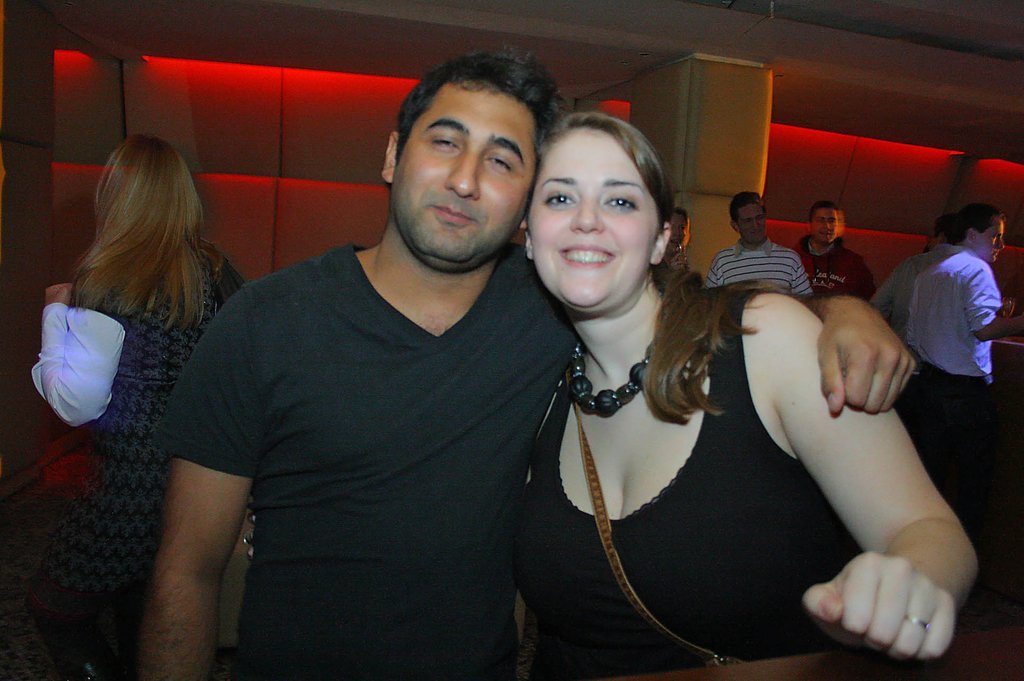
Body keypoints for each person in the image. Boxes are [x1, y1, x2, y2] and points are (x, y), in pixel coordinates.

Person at [139, 51, 914, 681]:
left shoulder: (552, 307)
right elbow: (188, 569)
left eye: (503, 160)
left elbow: (682, 306)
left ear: (526, 207)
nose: (466, 178)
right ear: (392, 155)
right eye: (445, 142)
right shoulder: (265, 324)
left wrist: (840, 311)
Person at [514, 112, 976, 680]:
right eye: (560, 198)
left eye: (620, 201)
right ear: (529, 236)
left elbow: (928, 529)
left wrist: (911, 587)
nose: (587, 220)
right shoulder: (532, 380)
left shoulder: (764, 341)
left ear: (661, 239)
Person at [27, 135, 233, 681]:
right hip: (192, 475)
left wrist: (55, 313)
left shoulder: (108, 279)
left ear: (117, 196)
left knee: (54, 608)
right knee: (147, 609)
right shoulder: (211, 271)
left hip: (124, 487)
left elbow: (75, 404)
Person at [905, 203, 1024, 542]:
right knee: (974, 482)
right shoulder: (976, 269)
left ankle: (924, 546)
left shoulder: (928, 273)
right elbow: (985, 329)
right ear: (972, 234)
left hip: (927, 387)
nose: (1001, 245)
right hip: (965, 394)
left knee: (931, 478)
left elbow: (912, 336)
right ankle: (964, 552)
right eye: (995, 236)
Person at [872, 213, 958, 343]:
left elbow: (876, 307)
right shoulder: (971, 271)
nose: (927, 241)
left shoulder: (910, 265)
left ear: (941, 237)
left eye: (931, 237)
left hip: (903, 348)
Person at [705, 192, 812, 295]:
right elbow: (708, 303)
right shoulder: (722, 261)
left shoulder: (790, 259)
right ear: (735, 226)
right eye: (748, 221)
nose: (755, 225)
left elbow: (807, 302)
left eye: (759, 218)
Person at [797, 200, 876, 298]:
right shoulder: (793, 259)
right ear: (809, 226)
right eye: (821, 220)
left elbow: (870, 299)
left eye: (831, 221)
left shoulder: (854, 263)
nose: (827, 226)